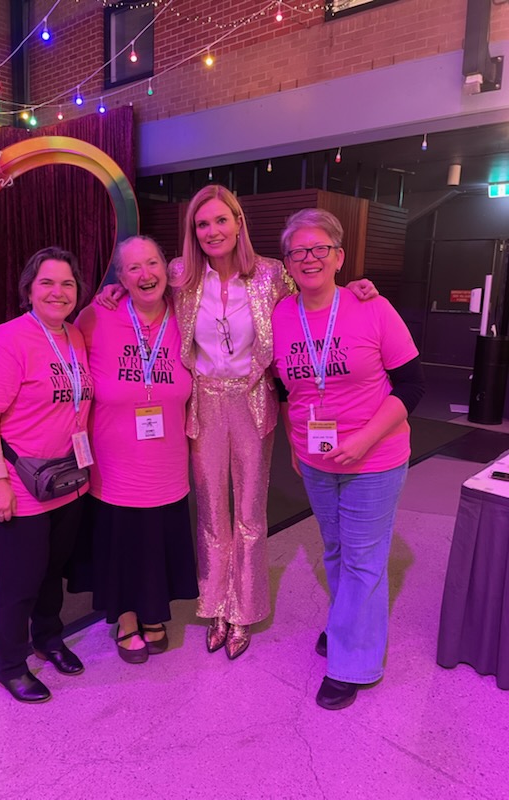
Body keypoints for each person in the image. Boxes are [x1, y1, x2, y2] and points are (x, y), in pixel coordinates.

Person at [98, 184, 377, 661]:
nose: (212, 230)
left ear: (238, 223)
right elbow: (142, 284)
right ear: (194, 232)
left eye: (220, 220)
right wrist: (111, 290)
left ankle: (243, 611)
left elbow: (315, 292)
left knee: (249, 513)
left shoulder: (271, 273)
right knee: (210, 514)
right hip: (202, 404)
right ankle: (216, 608)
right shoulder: (182, 274)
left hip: (252, 402)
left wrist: (351, 288)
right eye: (202, 223)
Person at [272, 209, 425, 710]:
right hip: (316, 459)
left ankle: (353, 663)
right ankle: (347, 623)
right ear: (288, 263)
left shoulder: (372, 307)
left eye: (320, 249)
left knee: (362, 557)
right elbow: (286, 386)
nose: (309, 258)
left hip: (375, 456)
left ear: (338, 256)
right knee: (336, 549)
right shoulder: (280, 314)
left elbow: (411, 385)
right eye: (299, 251)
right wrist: (298, 447)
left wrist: (363, 439)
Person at [0, 246, 94, 704]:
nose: (58, 292)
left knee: (50, 572)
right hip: (18, 488)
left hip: (65, 482)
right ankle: (10, 662)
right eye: (47, 283)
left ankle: (48, 638)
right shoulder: (8, 340)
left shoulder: (74, 337)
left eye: (67, 284)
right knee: (19, 581)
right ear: (28, 290)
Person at [73, 235, 198, 664]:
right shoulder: (96, 317)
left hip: (168, 465)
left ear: (167, 267)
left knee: (157, 541)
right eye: (132, 268)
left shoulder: (186, 315)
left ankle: (153, 611)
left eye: (152, 264)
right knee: (121, 542)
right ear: (120, 279)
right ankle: (126, 619)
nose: (145, 275)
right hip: (113, 467)